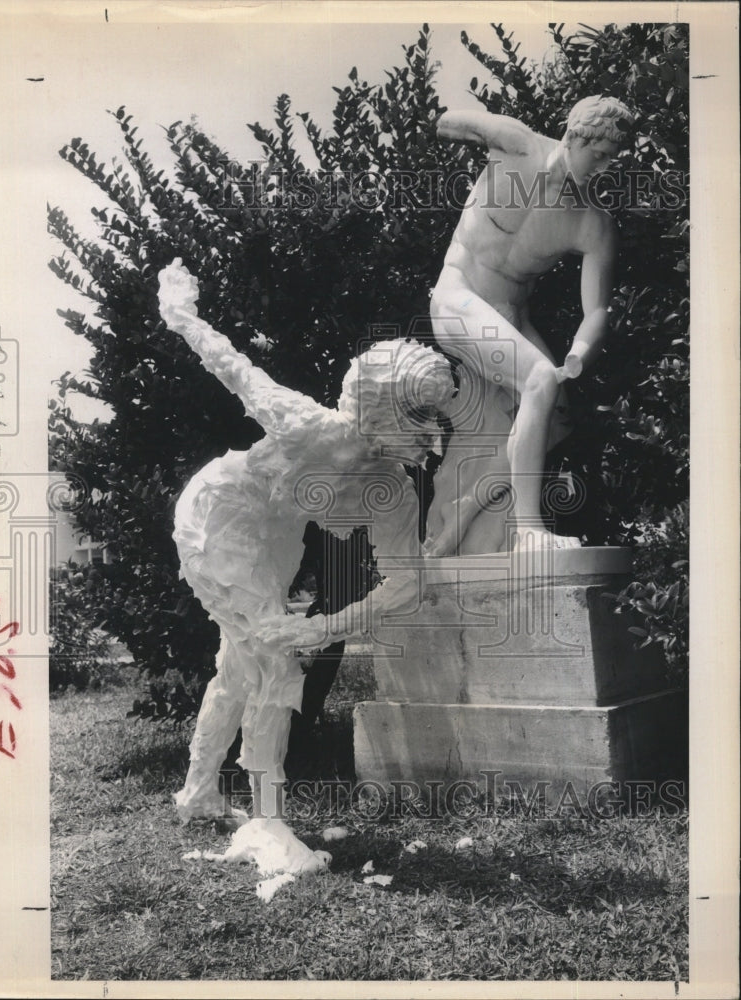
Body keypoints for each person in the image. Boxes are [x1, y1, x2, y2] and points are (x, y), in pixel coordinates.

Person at [157, 259, 454, 872]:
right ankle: (266, 819)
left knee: (241, 662)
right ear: (379, 408)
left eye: (435, 414)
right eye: (419, 415)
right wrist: (180, 312)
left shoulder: (392, 488)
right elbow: (233, 366)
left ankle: (197, 792)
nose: (433, 433)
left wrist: (323, 627)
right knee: (272, 655)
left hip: (273, 540)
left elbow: (410, 582)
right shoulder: (305, 425)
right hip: (220, 515)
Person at [425, 95, 635, 556]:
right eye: (599, 155)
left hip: (510, 316)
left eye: (611, 161)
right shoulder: (518, 147)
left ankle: (465, 510)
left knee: (557, 416)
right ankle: (529, 531)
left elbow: (596, 311)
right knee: (539, 377)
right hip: (459, 295)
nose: (602, 169)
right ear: (575, 136)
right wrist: (484, 124)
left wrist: (580, 352)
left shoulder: (592, 223)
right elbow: (446, 123)